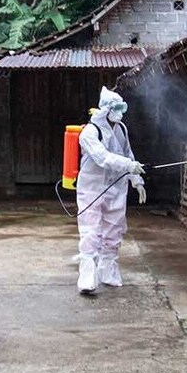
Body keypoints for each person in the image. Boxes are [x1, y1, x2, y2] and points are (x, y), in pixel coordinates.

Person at [76, 86, 146, 295]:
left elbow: (129, 155)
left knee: (114, 229)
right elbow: (103, 158)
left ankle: (108, 272)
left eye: (122, 107)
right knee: (91, 230)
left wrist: (137, 181)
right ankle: (87, 276)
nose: (120, 112)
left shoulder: (121, 129)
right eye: (117, 108)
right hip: (92, 187)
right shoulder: (90, 132)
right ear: (106, 109)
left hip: (116, 187)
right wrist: (127, 165)